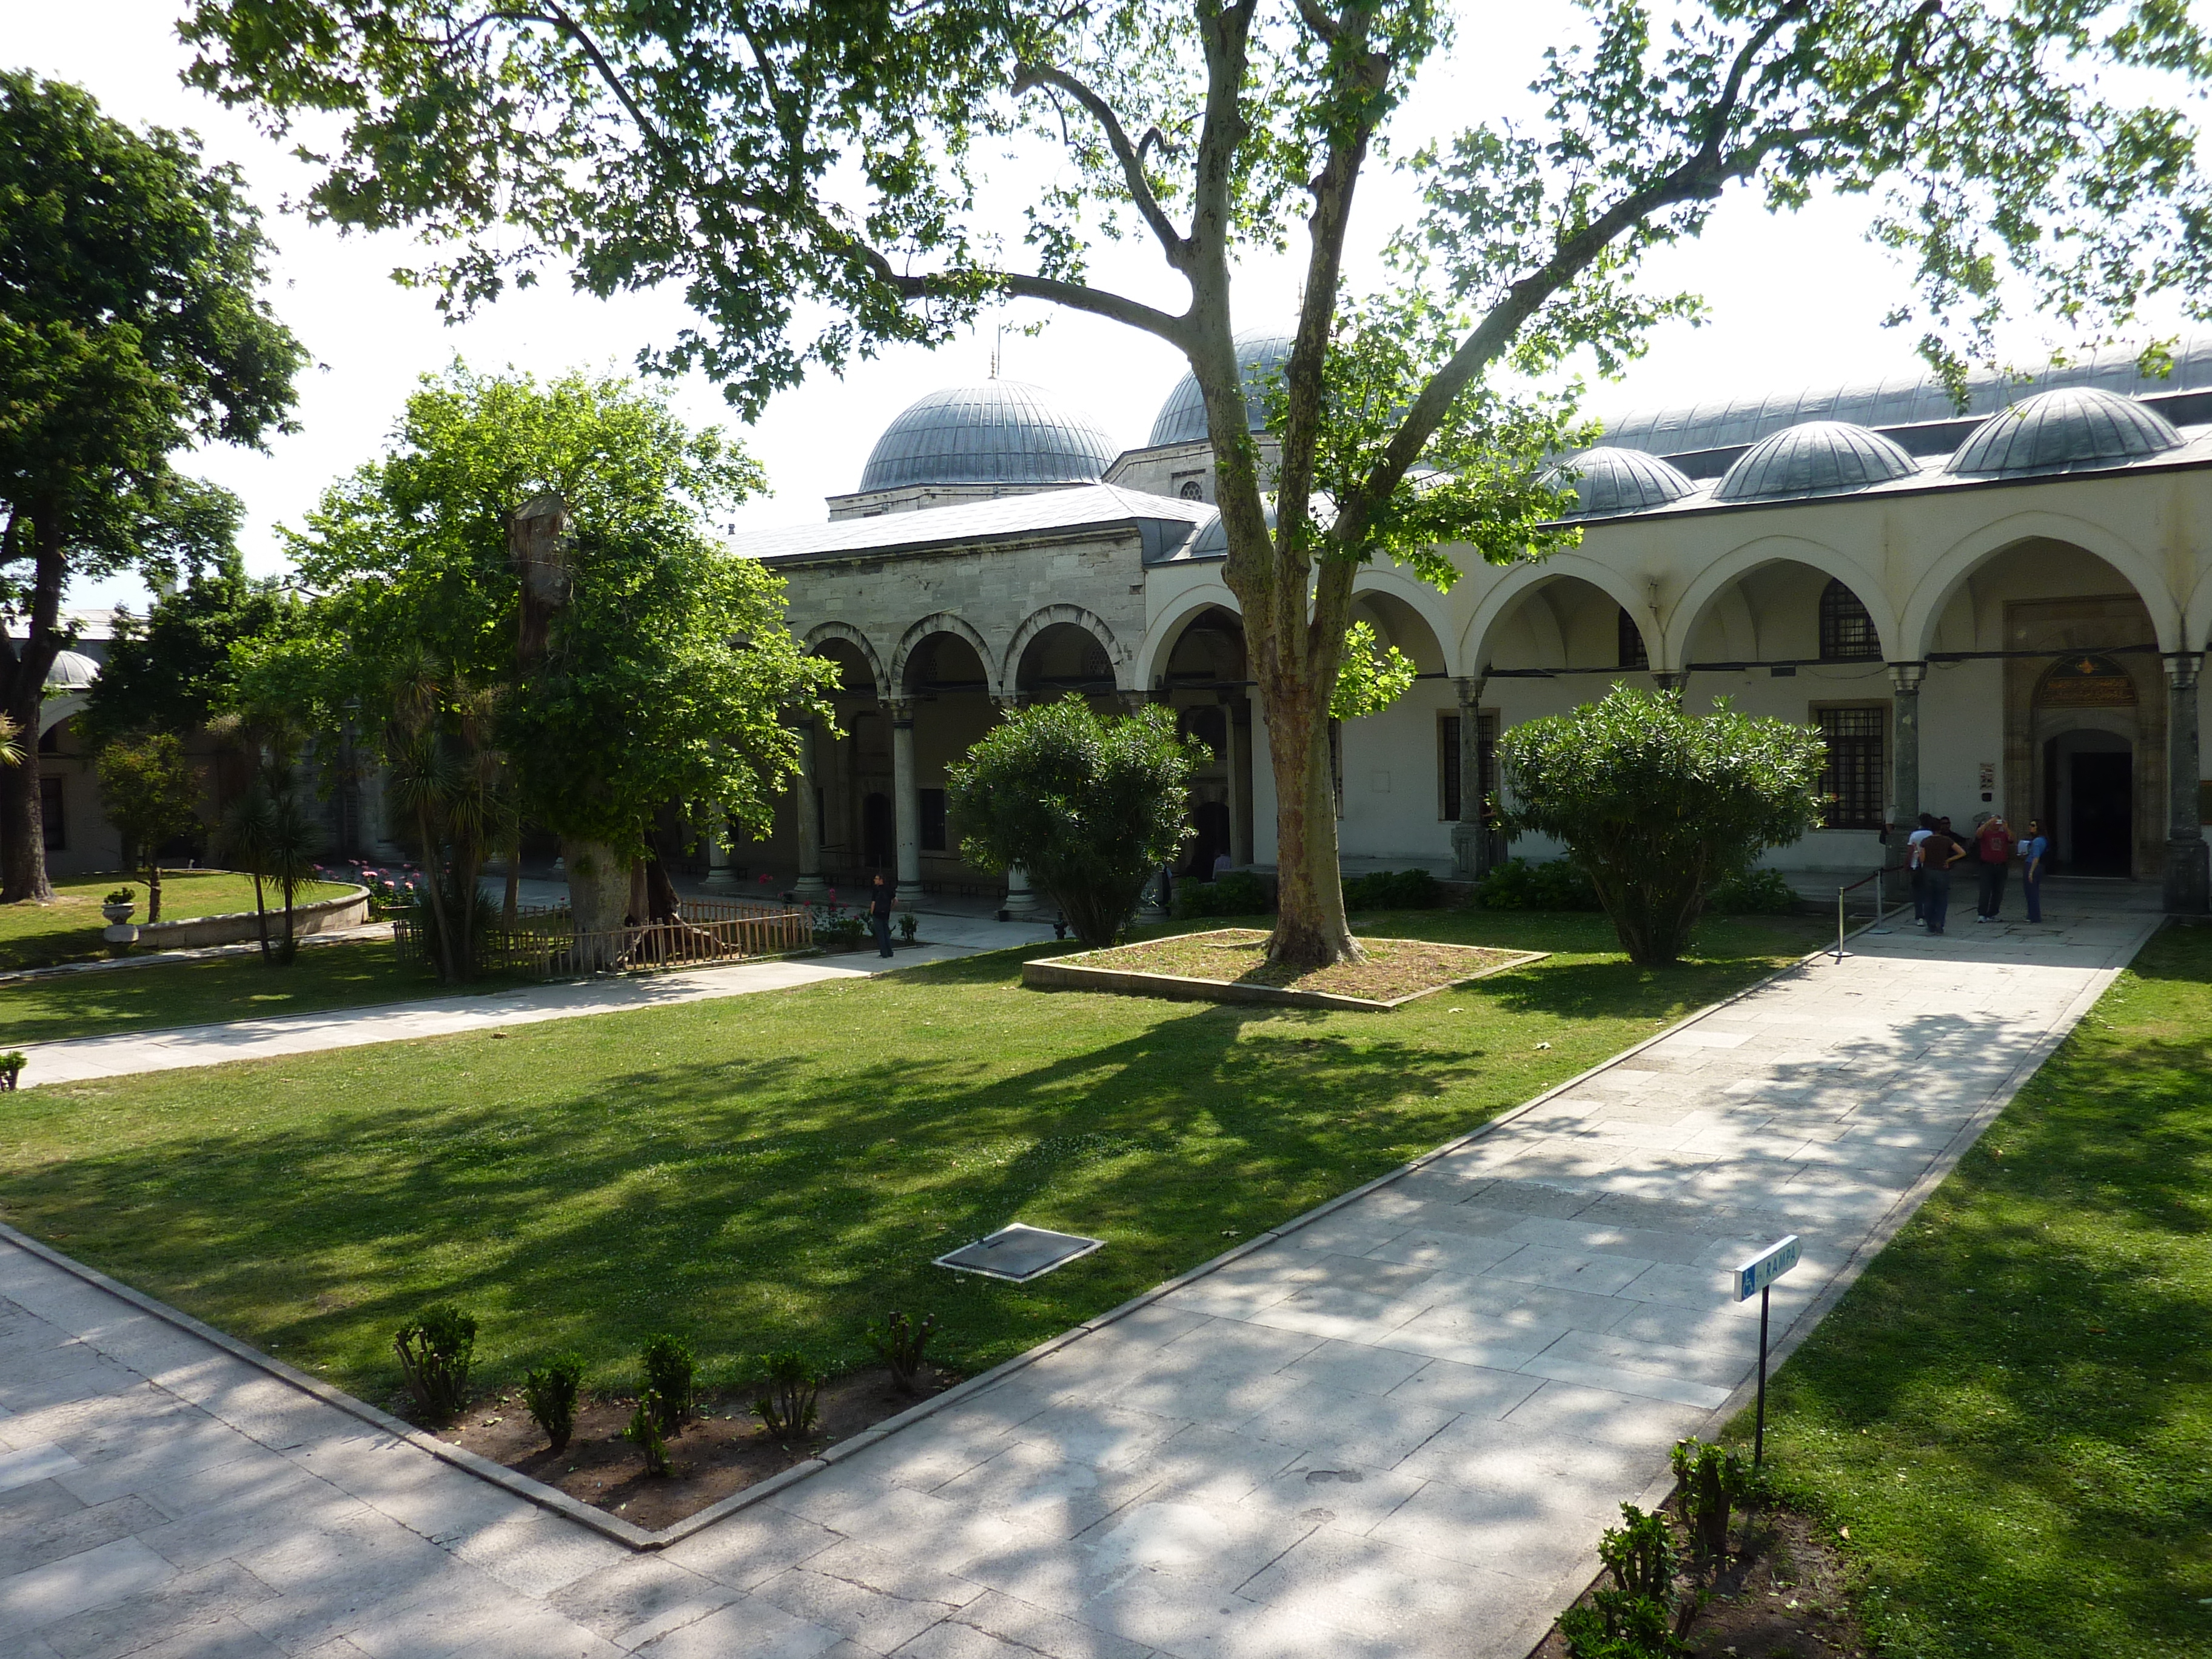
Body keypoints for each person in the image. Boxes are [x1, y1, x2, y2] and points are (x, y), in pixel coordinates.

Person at [1921, 818, 1968, 935]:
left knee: (1929, 899)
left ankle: (1930, 924)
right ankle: (1939, 924)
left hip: (1928, 871)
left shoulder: (1925, 841)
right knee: (1942, 899)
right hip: (1942, 871)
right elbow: (1962, 852)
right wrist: (1948, 860)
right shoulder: (1947, 840)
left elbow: (1922, 859)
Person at [1974, 811, 2012, 922]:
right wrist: (1987, 823)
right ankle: (1982, 914)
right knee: (1985, 890)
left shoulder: (2003, 834)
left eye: (1997, 821)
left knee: (1998, 892)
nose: (1996, 824)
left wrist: (2006, 827)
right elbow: (1978, 834)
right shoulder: (1986, 833)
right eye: (1994, 821)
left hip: (2001, 866)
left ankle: (1993, 913)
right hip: (1987, 866)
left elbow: (2011, 839)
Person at [1906, 813, 1935, 925]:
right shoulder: (1932, 834)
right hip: (1930, 866)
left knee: (1918, 892)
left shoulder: (1914, 835)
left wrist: (1907, 864)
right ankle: (1930, 914)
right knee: (1930, 892)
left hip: (1916, 865)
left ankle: (1920, 916)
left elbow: (1910, 852)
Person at [2019, 818, 2049, 923]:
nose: (2030, 827)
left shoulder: (2038, 841)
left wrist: (2031, 872)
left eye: (2033, 825)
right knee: (2031, 892)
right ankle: (2032, 914)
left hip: (2032, 865)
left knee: (2031, 892)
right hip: (2033, 864)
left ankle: (2034, 916)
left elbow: (2036, 857)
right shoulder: (2041, 840)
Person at [868, 871, 897, 957]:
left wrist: (871, 912)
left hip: (877, 913)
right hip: (886, 913)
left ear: (881, 880)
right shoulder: (889, 888)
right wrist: (890, 908)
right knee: (886, 932)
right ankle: (890, 952)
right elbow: (896, 900)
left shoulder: (876, 889)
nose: (875, 880)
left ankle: (884, 953)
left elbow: (874, 902)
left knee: (880, 934)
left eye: (876, 879)